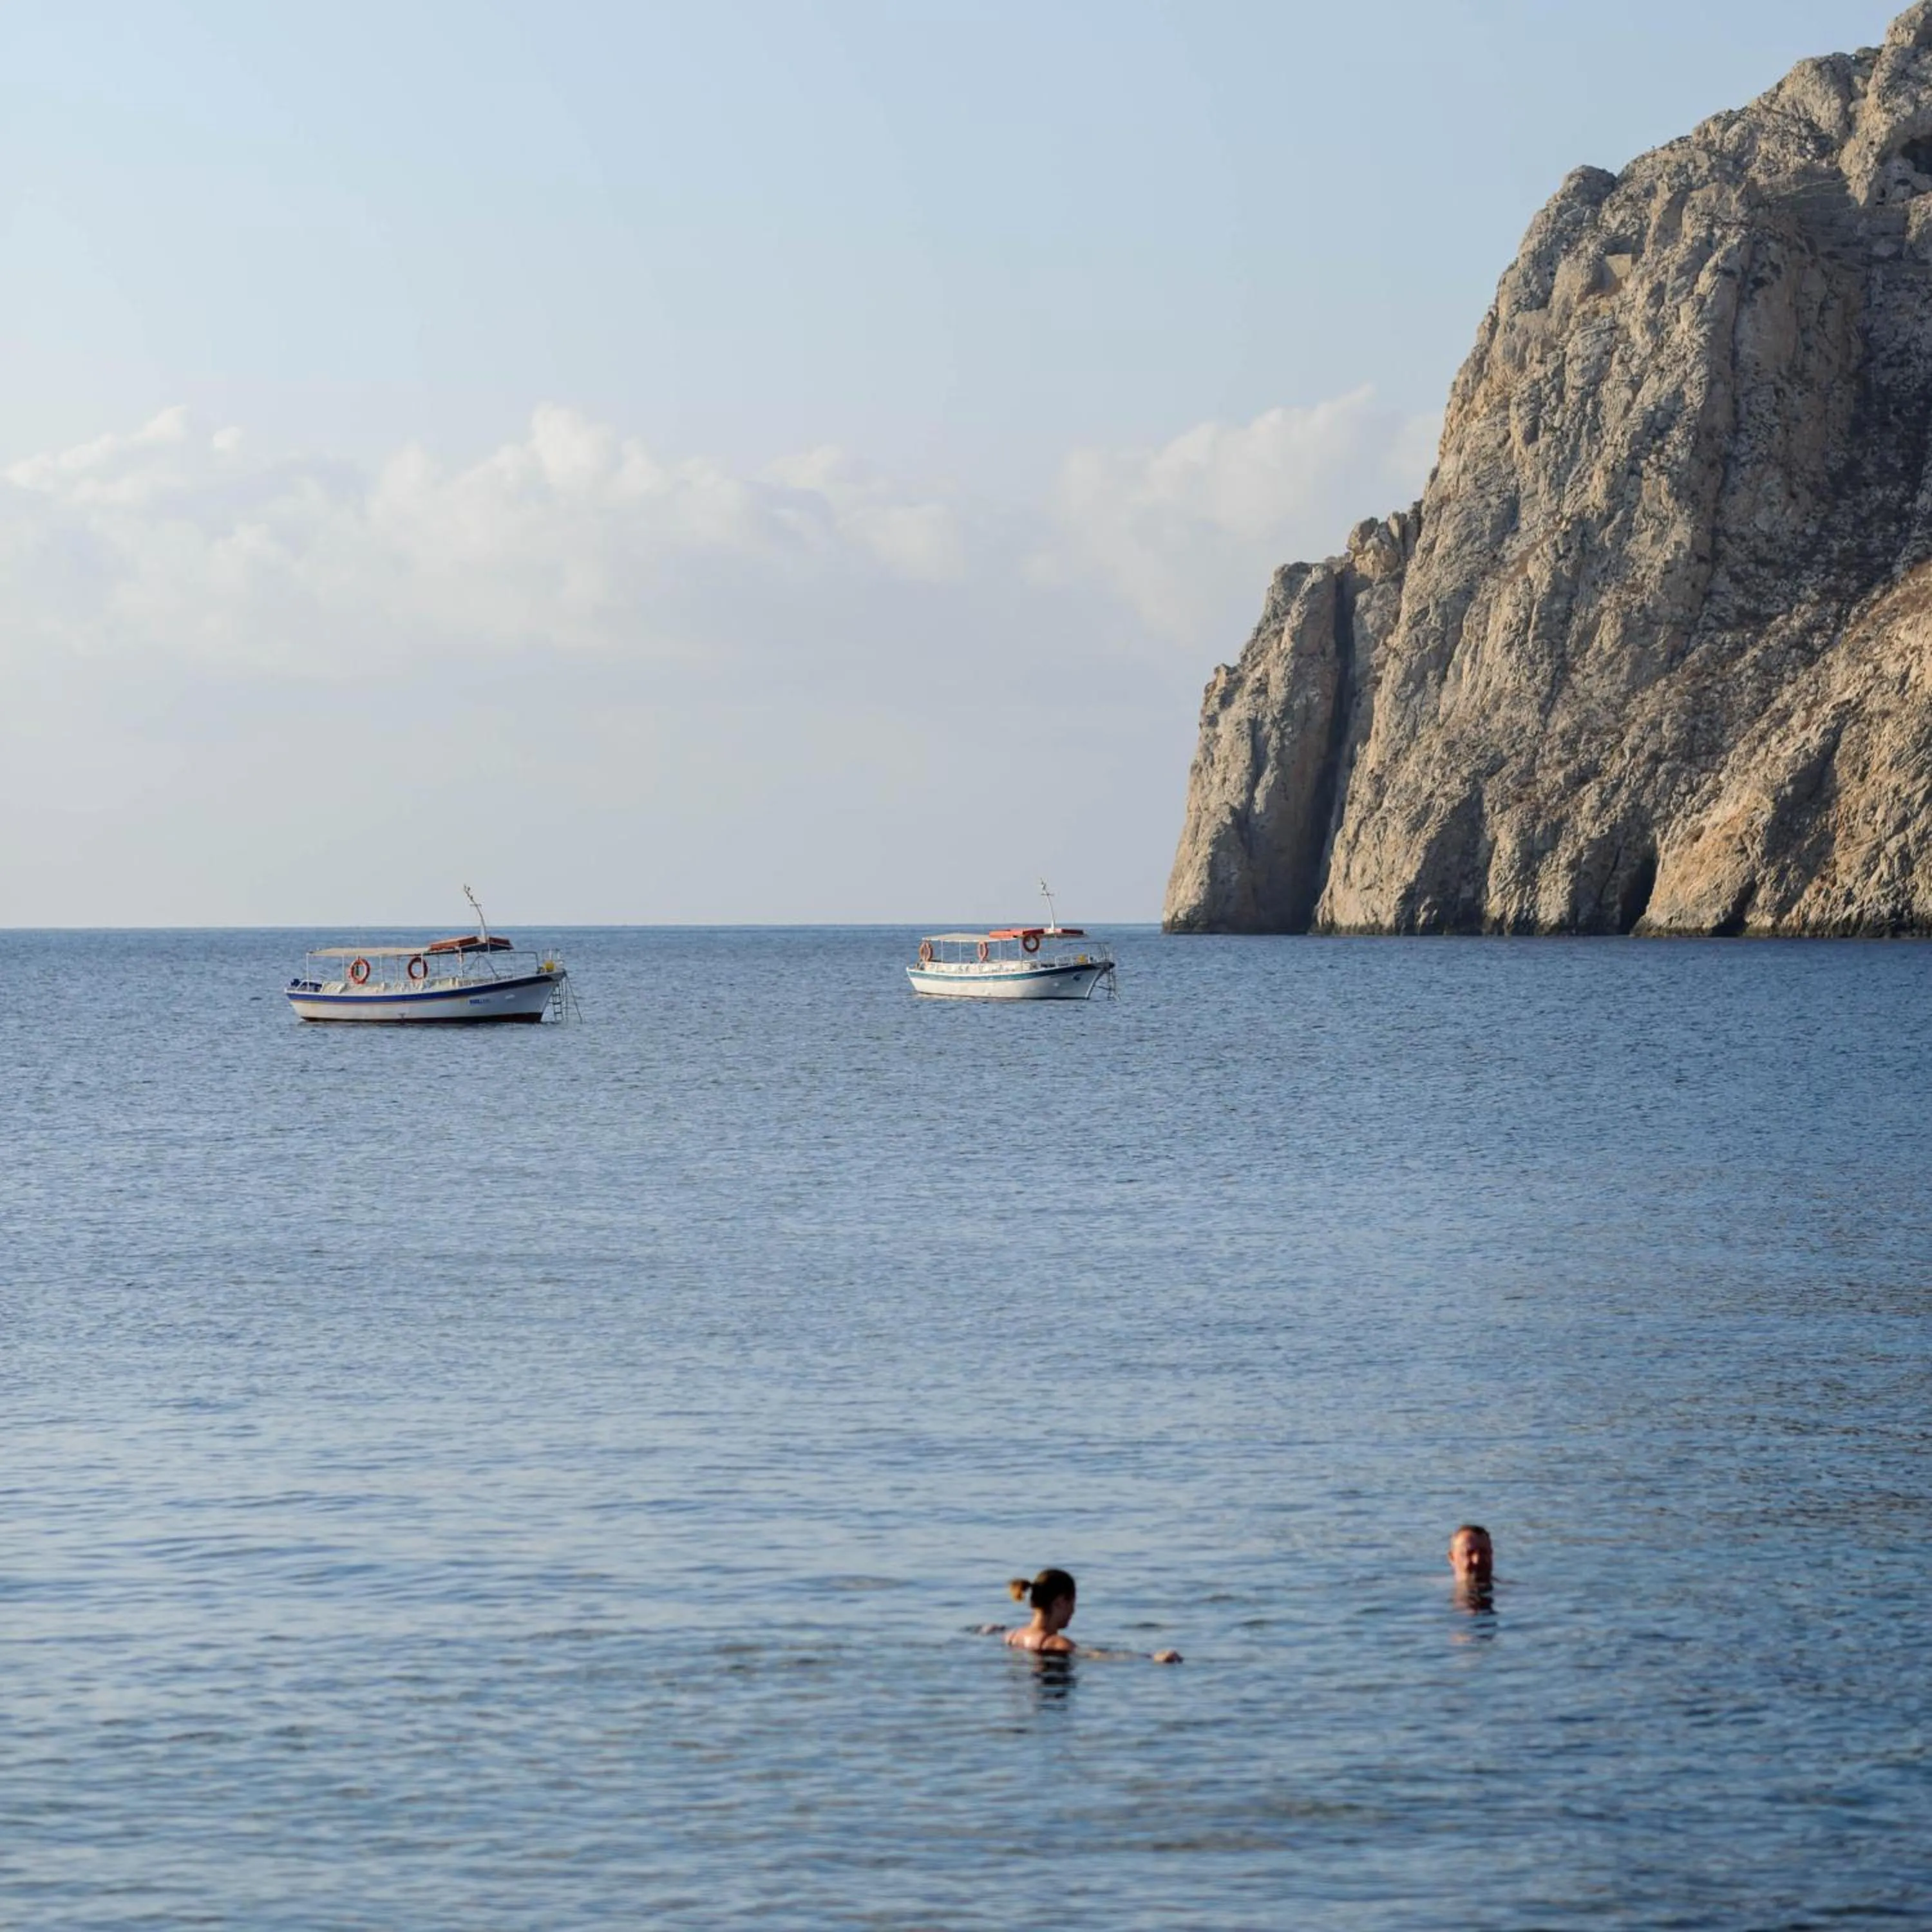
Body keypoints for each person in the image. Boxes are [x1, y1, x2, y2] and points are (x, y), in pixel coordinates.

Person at [998, 1568, 1181, 1663]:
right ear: (1060, 1602)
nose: (1073, 1612)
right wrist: (1150, 1657)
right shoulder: (1057, 1643)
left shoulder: (1012, 1636)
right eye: (1072, 1604)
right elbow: (1096, 1655)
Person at [1448, 1524, 1494, 1605]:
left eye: (1483, 1553)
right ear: (1452, 1558)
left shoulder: (1510, 1592)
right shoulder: (1431, 1588)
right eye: (1469, 1553)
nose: (1477, 1560)